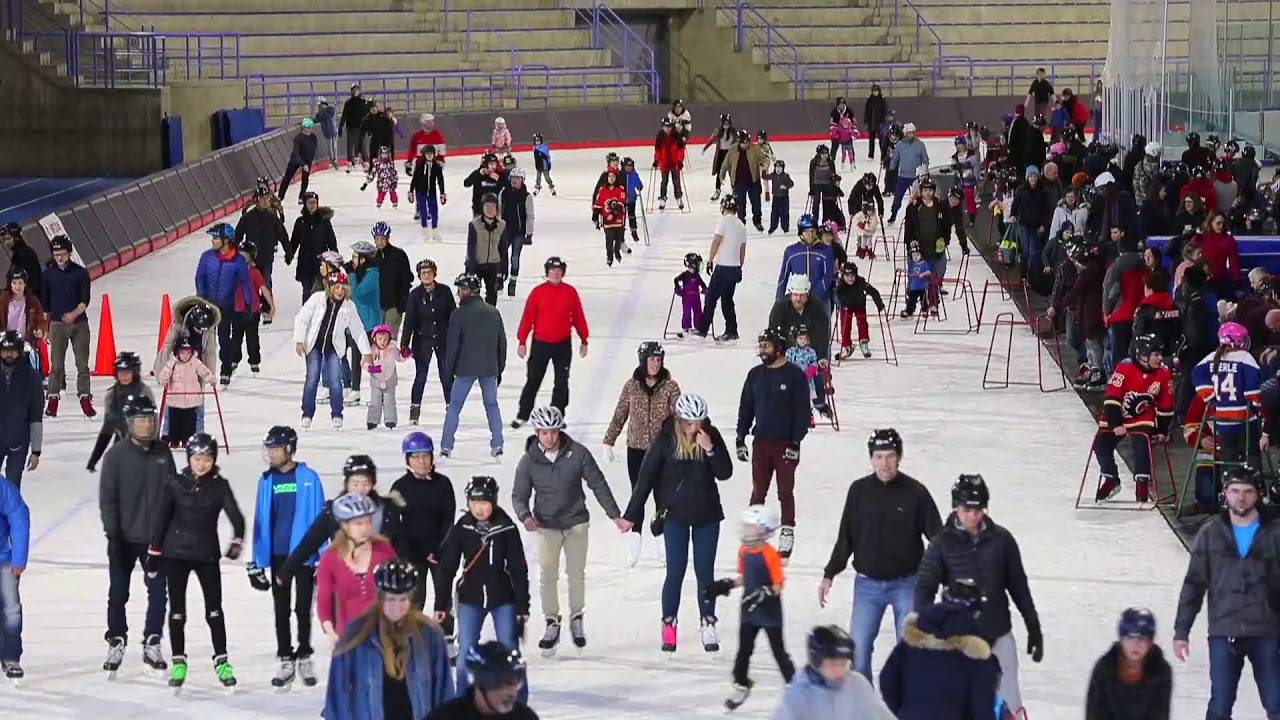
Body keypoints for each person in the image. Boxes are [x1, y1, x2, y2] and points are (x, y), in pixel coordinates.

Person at [819, 428, 942, 681]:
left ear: (899, 457)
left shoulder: (915, 493)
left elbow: (939, 539)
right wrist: (829, 573)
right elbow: (846, 537)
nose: (884, 463)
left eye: (890, 456)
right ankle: (867, 707)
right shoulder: (858, 492)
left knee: (911, 649)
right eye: (879, 456)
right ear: (871, 458)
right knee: (859, 652)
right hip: (868, 586)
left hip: (907, 584)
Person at [914, 474, 1042, 716]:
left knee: (1009, 705)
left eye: (978, 509)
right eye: (967, 509)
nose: (972, 515)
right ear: (955, 507)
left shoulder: (1002, 540)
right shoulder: (941, 544)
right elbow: (925, 587)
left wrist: (1033, 625)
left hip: (998, 633)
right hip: (959, 641)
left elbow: (1018, 586)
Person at [512, 405, 629, 656]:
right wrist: (525, 517)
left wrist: (615, 515)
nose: (550, 438)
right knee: (547, 575)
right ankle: (551, 621)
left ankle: (577, 616)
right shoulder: (529, 461)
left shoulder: (577, 453)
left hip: (576, 522)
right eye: (544, 433)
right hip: (547, 526)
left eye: (553, 432)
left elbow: (598, 483)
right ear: (537, 433)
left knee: (576, 572)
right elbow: (519, 495)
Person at [624, 393, 732, 654]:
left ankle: (708, 623)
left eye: (699, 422)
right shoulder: (665, 440)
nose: (695, 428)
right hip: (675, 517)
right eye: (690, 423)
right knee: (676, 572)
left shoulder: (711, 435)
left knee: (705, 573)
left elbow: (725, 472)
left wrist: (710, 449)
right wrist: (631, 515)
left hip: (707, 515)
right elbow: (645, 478)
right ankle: (669, 624)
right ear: (680, 420)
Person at [1174, 465, 1280, 719]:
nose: (1240, 497)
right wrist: (1181, 631)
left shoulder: (1275, 534)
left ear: (1257, 494)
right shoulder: (1211, 534)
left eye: (1247, 491)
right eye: (1234, 491)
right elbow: (1194, 584)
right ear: (1225, 493)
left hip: (1268, 633)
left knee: (1277, 703)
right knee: (1220, 705)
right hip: (1224, 633)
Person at [148, 432, 244, 689]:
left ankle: (221, 660)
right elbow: (161, 519)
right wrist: (154, 552)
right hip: (175, 555)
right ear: (189, 458)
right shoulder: (175, 483)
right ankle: (179, 661)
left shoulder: (219, 486)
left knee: (214, 611)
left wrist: (237, 541)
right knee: (177, 611)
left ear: (214, 460)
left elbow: (237, 517)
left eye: (207, 459)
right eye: (197, 458)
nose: (201, 464)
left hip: (206, 555)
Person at [433, 476, 530, 702]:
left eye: (484, 502)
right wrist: (441, 605)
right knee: (466, 650)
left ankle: (519, 703)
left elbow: (518, 569)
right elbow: (447, 568)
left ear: (493, 502)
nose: (479, 508)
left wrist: (522, 605)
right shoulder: (462, 527)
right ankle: (462, 703)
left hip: (502, 598)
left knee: (510, 649)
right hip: (471, 598)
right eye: (474, 502)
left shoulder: (506, 528)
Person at [98, 394, 174, 676]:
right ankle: (116, 638)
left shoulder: (163, 453)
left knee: (158, 593)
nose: (147, 425)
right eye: (141, 420)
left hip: (155, 540)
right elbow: (108, 500)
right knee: (118, 593)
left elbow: (172, 495)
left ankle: (153, 640)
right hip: (123, 540)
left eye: (150, 419)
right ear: (129, 424)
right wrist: (114, 535)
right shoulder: (115, 458)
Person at [323, 559, 455, 719]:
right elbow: (337, 699)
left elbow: (444, 695)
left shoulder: (430, 636)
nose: (397, 607)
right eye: (391, 599)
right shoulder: (355, 635)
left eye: (403, 600)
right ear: (380, 599)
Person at [250, 425, 326, 690]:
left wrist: (322, 555)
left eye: (276, 449)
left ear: (290, 449)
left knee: (302, 609)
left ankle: (304, 653)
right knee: (281, 610)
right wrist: (257, 560)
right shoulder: (267, 480)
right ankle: (285, 656)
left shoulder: (309, 478)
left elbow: (321, 520)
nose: (271, 454)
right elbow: (260, 520)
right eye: (269, 449)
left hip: (304, 555)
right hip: (278, 555)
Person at [704, 505, 794, 710]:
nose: (746, 531)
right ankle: (741, 683)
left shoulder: (770, 555)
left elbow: (779, 584)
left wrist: (765, 592)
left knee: (778, 650)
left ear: (763, 530)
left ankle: (794, 686)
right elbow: (745, 577)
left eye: (750, 527)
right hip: (748, 610)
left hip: (770, 612)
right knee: (744, 650)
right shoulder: (744, 551)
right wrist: (725, 585)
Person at [603, 341, 681, 566]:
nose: (655, 364)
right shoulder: (631, 386)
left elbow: (679, 416)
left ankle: (662, 537)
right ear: (643, 361)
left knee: (662, 495)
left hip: (662, 451)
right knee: (638, 493)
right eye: (652, 360)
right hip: (636, 449)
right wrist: (609, 440)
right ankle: (635, 538)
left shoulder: (670, 386)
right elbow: (620, 414)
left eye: (658, 360)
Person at [735, 327, 810, 560]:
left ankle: (787, 531)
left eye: (766, 346)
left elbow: (802, 412)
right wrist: (740, 437)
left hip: (786, 444)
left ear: (779, 347)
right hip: (761, 442)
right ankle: (752, 533)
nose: (762, 350)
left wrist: (796, 442)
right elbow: (746, 407)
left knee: (785, 491)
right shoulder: (755, 375)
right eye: (761, 346)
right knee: (758, 489)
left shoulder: (795, 375)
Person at [879, 578, 1000, 720]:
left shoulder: (911, 642)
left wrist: (905, 710)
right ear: (977, 613)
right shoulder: (978, 656)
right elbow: (982, 707)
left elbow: (888, 680)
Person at [281, 454, 402, 581]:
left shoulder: (386, 509)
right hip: (344, 581)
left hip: (379, 582)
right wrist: (287, 569)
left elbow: (399, 544)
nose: (360, 489)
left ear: (373, 484)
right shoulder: (333, 511)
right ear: (347, 483)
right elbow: (310, 542)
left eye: (365, 483)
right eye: (355, 483)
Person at [1093, 334, 1174, 502]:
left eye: (1160, 354)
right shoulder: (1124, 367)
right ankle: (1111, 478)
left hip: (1142, 416)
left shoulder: (1164, 373)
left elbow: (1166, 405)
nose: (1160, 358)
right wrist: (1116, 424)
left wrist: (1162, 430)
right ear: (1143, 355)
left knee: (1141, 444)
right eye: (1156, 354)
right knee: (1101, 444)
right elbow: (1112, 397)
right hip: (1117, 414)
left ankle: (1142, 484)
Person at [512, 257, 589, 429]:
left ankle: (558, 414)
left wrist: (584, 339)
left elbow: (578, 316)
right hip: (541, 344)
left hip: (563, 344)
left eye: (559, 270)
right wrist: (522, 340)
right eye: (553, 270)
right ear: (547, 272)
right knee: (533, 379)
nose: (556, 273)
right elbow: (528, 317)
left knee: (561, 381)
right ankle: (523, 414)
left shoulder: (570, 292)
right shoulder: (538, 292)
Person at [390, 432, 456, 631]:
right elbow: (393, 523)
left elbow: (448, 519)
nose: (421, 461)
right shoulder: (400, 487)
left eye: (425, 456)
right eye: (416, 457)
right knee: (414, 600)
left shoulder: (442, 484)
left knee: (443, 598)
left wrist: (438, 549)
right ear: (407, 459)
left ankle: (446, 637)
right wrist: (407, 552)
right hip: (412, 554)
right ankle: (412, 639)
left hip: (439, 552)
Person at [316, 494, 398, 647]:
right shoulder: (330, 558)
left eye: (368, 522)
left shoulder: (384, 550)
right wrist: (331, 633)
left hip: (384, 635)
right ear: (344, 525)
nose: (365, 529)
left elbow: (400, 590)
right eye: (358, 524)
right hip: (349, 637)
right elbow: (324, 601)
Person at [293, 272, 371, 430]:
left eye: (343, 287)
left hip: (334, 347)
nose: (340, 291)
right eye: (336, 287)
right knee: (312, 379)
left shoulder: (349, 306)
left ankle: (337, 414)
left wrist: (366, 352)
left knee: (335, 380)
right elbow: (302, 318)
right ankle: (307, 414)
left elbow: (358, 330)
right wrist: (300, 340)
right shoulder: (317, 299)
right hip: (314, 345)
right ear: (329, 287)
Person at [441, 273, 507, 458]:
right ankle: (497, 443)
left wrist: (449, 369)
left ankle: (447, 445)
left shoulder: (459, 314)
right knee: (492, 405)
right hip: (489, 367)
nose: (459, 293)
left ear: (470, 291)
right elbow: (501, 343)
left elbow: (452, 345)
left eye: (461, 289)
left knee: (454, 406)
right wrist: (499, 368)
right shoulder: (493, 312)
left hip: (464, 368)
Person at [770, 625, 897, 720]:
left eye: (844, 664)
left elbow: (880, 715)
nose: (839, 671)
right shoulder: (799, 695)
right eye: (832, 664)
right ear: (816, 662)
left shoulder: (858, 685)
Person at [40, 235, 94, 418]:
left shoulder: (80, 273)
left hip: (79, 324)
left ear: (69, 253)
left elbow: (85, 300)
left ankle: (85, 398)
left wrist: (73, 314)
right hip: (57, 324)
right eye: (56, 254)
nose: (59, 257)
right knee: (56, 365)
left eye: (62, 254)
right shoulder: (48, 274)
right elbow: (45, 304)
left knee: (82, 364)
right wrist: (46, 327)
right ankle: (53, 400)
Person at [1086, 607, 1173, 720]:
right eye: (1130, 637)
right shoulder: (1105, 668)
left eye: (1142, 638)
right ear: (1121, 639)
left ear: (1150, 642)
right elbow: (1095, 712)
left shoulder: (1161, 671)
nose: (1135, 644)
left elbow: (1160, 714)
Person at [194, 223, 252, 385]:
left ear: (226, 241)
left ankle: (226, 368)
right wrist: (202, 298)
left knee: (224, 338)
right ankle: (196, 369)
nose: (212, 241)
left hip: (226, 305)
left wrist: (249, 305)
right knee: (200, 338)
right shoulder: (207, 257)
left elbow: (245, 283)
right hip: (207, 304)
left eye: (216, 238)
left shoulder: (238, 261)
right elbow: (199, 278)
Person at [402, 259, 455, 425]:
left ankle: (452, 408)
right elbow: (409, 320)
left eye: (429, 272)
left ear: (434, 274)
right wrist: (404, 343)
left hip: (443, 338)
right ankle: (415, 410)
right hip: (422, 340)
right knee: (421, 376)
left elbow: (453, 316)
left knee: (446, 375)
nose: (426, 275)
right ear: (419, 275)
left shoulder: (445, 292)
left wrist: (457, 339)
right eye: (423, 273)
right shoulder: (415, 295)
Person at [427, 642, 538, 720]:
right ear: (483, 683)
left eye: (517, 683)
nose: (512, 692)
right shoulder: (446, 716)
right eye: (504, 683)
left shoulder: (525, 717)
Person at [87, 351, 153, 473]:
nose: (124, 376)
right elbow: (107, 429)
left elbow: (153, 426)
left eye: (128, 372)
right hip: (122, 446)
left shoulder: (144, 392)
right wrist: (94, 459)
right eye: (121, 372)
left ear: (135, 372)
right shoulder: (112, 395)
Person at [696, 195, 748, 343]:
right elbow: (742, 250)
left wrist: (710, 260)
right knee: (727, 299)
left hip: (723, 266)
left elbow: (716, 241)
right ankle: (732, 329)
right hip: (734, 267)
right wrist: (739, 266)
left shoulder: (723, 222)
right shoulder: (741, 225)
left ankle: (703, 328)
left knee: (711, 297)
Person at [0, 332, 43, 487]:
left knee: (12, 486)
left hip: (19, 440)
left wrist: (36, 450)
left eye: (12, 351)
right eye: (5, 351)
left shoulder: (31, 377)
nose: (9, 355)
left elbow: (36, 415)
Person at [345, 240, 382, 407]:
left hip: (370, 323)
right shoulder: (360, 273)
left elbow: (358, 293)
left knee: (372, 359)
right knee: (355, 356)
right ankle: (355, 389)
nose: (352, 260)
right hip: (357, 322)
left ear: (364, 259)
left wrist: (351, 275)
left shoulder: (372, 274)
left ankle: (379, 389)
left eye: (355, 257)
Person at [0, 472, 29, 681]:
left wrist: (18, 558)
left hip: (3, 559)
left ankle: (11, 657)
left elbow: (19, 518)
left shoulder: (3, 488)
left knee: (11, 608)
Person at [285, 192, 338, 303]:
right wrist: (289, 255)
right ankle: (306, 313)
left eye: (314, 203)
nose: (312, 205)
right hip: (305, 262)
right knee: (307, 290)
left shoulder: (324, 222)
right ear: (305, 204)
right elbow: (295, 240)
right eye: (310, 203)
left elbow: (331, 241)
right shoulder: (300, 222)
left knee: (320, 289)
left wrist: (335, 258)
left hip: (320, 263)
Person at [235, 188, 289, 288]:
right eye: (262, 198)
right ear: (257, 200)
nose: (265, 201)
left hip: (267, 257)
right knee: (252, 283)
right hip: (252, 258)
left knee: (266, 282)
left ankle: (267, 303)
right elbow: (237, 235)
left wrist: (288, 252)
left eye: (267, 198)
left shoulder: (272, 218)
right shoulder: (248, 217)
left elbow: (282, 235)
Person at [373, 222, 414, 334]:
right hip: (376, 306)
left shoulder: (399, 255)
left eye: (382, 238)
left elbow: (407, 279)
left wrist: (401, 304)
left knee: (389, 339)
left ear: (387, 238)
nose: (379, 242)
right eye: (377, 238)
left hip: (393, 306)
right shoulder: (372, 257)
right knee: (376, 339)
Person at [467, 193, 506, 306]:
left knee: (492, 294)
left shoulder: (502, 225)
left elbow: (503, 248)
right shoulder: (474, 224)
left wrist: (503, 269)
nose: (489, 209)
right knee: (473, 295)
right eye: (487, 206)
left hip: (493, 265)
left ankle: (490, 316)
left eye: (492, 206)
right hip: (477, 264)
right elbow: (471, 247)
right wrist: (472, 267)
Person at [0, 267, 47, 360]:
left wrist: (40, 330)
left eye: (20, 283)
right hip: (5, 344)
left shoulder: (33, 301)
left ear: (25, 284)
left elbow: (40, 320)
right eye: (14, 283)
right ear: (10, 284)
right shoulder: (3, 300)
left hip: (25, 344)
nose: (17, 287)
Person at [279, 118, 318, 204]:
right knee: (287, 178)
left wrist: (308, 163)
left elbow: (313, 150)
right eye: (306, 128)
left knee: (305, 178)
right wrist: (302, 164)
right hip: (296, 160)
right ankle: (280, 196)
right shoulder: (298, 138)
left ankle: (301, 196)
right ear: (303, 128)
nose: (308, 130)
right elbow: (296, 153)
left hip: (307, 160)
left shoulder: (313, 138)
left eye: (310, 128)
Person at [338, 84, 370, 171]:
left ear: (359, 91)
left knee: (363, 145)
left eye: (356, 89)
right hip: (351, 127)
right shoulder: (348, 103)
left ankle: (366, 162)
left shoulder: (363, 102)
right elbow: (344, 115)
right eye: (353, 90)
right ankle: (350, 162)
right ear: (351, 91)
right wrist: (340, 127)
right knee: (350, 145)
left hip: (361, 127)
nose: (355, 91)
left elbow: (368, 116)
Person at [1, 223, 41, 292]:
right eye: (4, 240)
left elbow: (32, 282)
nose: (6, 243)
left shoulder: (25, 254)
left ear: (17, 237)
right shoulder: (19, 254)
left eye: (8, 239)